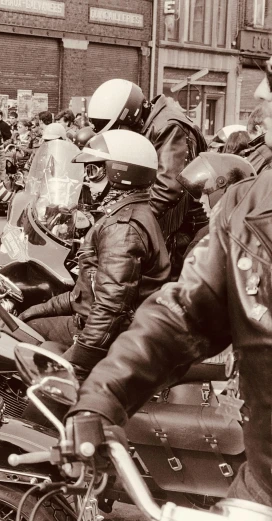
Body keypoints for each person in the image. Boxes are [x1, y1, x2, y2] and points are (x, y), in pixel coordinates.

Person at [67, 165, 272, 508]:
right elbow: (184, 312)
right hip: (262, 482)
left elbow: (112, 302)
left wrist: (83, 357)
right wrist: (104, 397)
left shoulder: (126, 223)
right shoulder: (248, 205)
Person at [18, 130, 170, 380]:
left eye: (93, 171)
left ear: (120, 173)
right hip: (95, 324)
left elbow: (112, 308)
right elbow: (87, 292)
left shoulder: (123, 229)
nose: (86, 180)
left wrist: (76, 362)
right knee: (20, 328)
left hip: (112, 338)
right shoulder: (124, 214)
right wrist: (38, 309)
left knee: (35, 372)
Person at [87, 79, 207, 245]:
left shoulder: (170, 127)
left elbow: (168, 188)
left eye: (118, 128)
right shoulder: (148, 126)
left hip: (178, 231)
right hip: (158, 223)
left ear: (131, 117)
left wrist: (127, 223)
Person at [175, 152, 255, 258]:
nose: (200, 200)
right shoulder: (258, 227)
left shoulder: (206, 236)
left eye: (205, 193)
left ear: (225, 191)